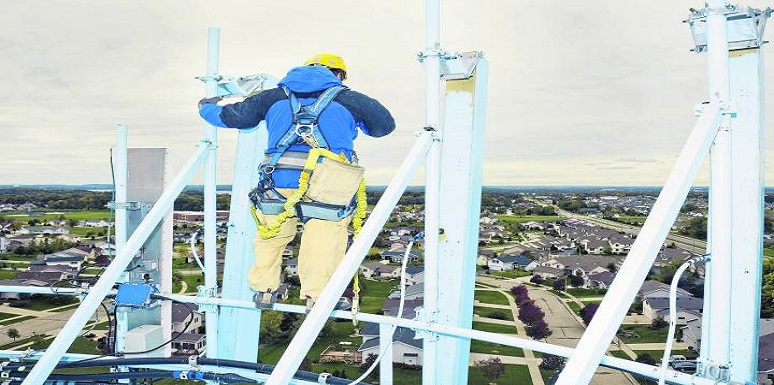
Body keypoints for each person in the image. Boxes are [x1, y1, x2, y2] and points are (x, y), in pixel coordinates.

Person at [198, 53, 395, 309]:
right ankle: (317, 297)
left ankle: (264, 291)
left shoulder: (273, 97)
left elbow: (232, 117)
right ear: (338, 75)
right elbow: (383, 127)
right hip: (329, 182)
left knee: (272, 234)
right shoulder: (349, 99)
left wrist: (206, 106)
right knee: (323, 238)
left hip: (278, 178)